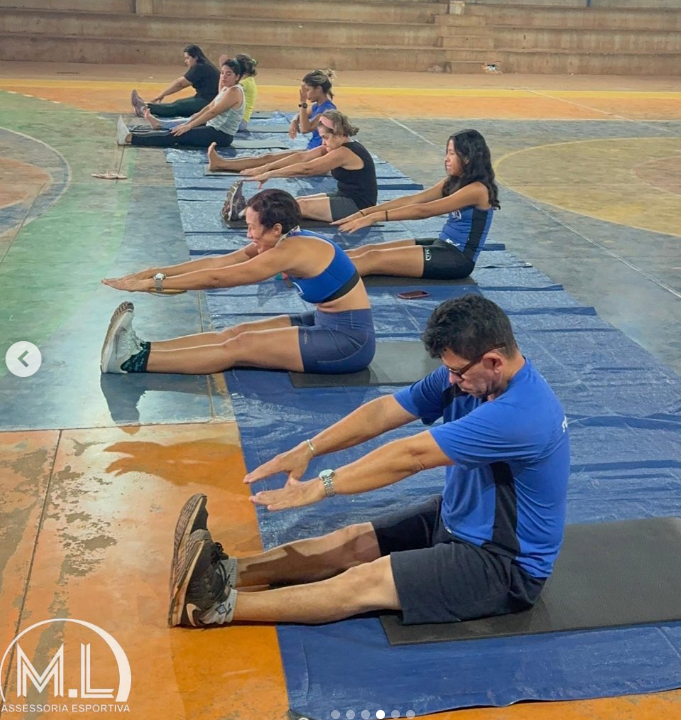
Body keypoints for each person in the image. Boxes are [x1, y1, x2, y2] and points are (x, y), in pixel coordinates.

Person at [166, 294, 570, 629]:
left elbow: (410, 456)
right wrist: (308, 449)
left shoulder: (523, 414)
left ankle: (212, 607)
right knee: (353, 540)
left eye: (457, 372)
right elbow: (383, 412)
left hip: (502, 562)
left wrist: (322, 486)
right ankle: (227, 570)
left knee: (366, 580)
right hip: (457, 517)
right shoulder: (468, 377)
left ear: (494, 361)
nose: (450, 380)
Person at [100, 189, 375, 376]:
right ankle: (144, 348)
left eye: (252, 227)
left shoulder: (290, 250)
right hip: (324, 321)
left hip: (349, 343)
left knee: (239, 346)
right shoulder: (285, 238)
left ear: (276, 229)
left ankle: (132, 361)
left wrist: (152, 284)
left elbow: (218, 279)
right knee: (236, 332)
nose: (248, 235)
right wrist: (157, 272)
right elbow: (219, 263)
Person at [335, 130, 499, 281]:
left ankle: (325, 279)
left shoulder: (477, 190)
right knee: (367, 250)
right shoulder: (456, 181)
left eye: (451, 153)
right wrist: (365, 212)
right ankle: (324, 267)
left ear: (467, 158)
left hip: (458, 258)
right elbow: (414, 200)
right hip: (442, 244)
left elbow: (423, 210)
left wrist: (375, 217)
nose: (446, 159)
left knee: (372, 259)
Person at [223, 110, 377, 223]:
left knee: (298, 206)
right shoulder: (336, 144)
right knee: (295, 201)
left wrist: (271, 174)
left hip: (358, 206)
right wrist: (266, 168)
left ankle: (241, 213)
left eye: (325, 137)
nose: (323, 142)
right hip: (345, 195)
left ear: (339, 133)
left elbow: (308, 168)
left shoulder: (345, 152)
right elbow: (302, 156)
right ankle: (245, 208)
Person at [205, 69, 337, 175]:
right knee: (268, 157)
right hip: (311, 150)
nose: (306, 94)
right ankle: (222, 163)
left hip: (316, 155)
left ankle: (222, 164)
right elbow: (300, 116)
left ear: (319, 89)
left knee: (270, 163)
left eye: (307, 90)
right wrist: (293, 121)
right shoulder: (317, 106)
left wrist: (302, 102)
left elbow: (305, 129)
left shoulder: (327, 110)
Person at [117, 58, 245, 149]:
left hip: (221, 135)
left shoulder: (234, 92)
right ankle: (143, 131)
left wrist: (188, 126)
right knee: (180, 127)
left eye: (228, 74)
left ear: (237, 77)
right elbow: (210, 106)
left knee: (177, 135)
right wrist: (192, 120)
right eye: (222, 73)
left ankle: (130, 138)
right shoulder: (226, 88)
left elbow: (213, 112)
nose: (223, 77)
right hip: (213, 128)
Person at [131, 44, 219, 119]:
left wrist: (162, 94)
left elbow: (180, 83)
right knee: (178, 103)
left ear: (195, 57)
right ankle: (146, 105)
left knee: (178, 106)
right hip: (207, 98)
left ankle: (144, 108)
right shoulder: (204, 65)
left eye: (187, 58)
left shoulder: (200, 68)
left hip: (208, 101)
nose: (186, 61)